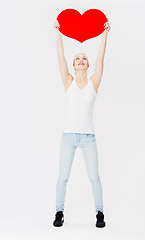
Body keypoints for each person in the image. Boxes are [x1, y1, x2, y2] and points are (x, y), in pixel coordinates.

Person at [52, 19, 111, 228]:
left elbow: (101, 58)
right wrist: (58, 33)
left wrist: (105, 34)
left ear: (87, 63)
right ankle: (59, 212)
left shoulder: (94, 82)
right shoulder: (68, 81)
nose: (80, 60)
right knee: (63, 176)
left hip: (88, 138)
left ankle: (100, 214)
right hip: (68, 136)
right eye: (77, 58)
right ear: (74, 64)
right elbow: (60, 57)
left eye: (84, 58)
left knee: (94, 177)